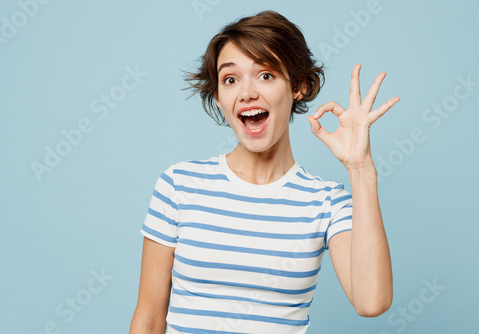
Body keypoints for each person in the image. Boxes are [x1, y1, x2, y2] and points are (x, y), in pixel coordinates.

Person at [129, 10, 397, 334]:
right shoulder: (179, 186)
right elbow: (148, 319)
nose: (246, 93)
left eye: (265, 75)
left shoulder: (326, 203)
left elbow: (371, 302)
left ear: (298, 86)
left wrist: (361, 169)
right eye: (230, 79)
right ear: (218, 95)